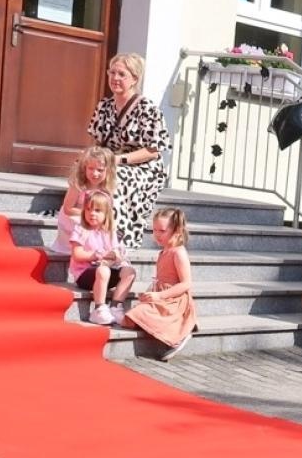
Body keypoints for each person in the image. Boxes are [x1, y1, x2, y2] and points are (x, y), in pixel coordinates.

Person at [87, 52, 170, 249]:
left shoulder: (147, 108)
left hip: (143, 167)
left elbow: (154, 150)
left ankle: (118, 238)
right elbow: (96, 141)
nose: (115, 78)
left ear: (134, 79)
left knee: (115, 177)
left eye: (122, 74)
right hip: (109, 161)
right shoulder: (104, 106)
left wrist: (118, 160)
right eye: (112, 72)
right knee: (84, 170)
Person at [122, 207, 196, 361]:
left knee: (138, 314)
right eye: (154, 230)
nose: (156, 235)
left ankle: (178, 336)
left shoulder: (178, 253)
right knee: (131, 317)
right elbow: (159, 279)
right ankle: (167, 328)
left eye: (162, 231)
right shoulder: (163, 252)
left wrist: (160, 295)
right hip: (162, 297)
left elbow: (186, 283)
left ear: (177, 230)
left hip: (174, 300)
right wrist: (150, 293)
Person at [68, 190, 135, 326]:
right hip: (85, 275)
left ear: (107, 214)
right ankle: (98, 309)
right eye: (88, 209)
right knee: (103, 270)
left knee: (130, 272)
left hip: (106, 271)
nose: (92, 213)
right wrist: (96, 255)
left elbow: (116, 251)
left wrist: (116, 256)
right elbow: (77, 254)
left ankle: (116, 306)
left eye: (97, 210)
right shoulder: (81, 229)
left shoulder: (110, 232)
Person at [53, 146, 118, 254]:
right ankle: (85, 251)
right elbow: (67, 209)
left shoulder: (106, 188)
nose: (95, 173)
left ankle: (108, 250)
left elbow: (106, 210)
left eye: (100, 170)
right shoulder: (79, 185)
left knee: (109, 224)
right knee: (85, 223)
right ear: (84, 168)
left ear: (108, 170)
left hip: (94, 217)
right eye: (91, 168)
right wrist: (86, 214)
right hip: (74, 217)